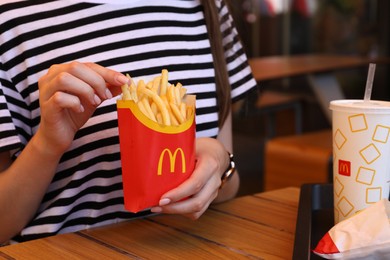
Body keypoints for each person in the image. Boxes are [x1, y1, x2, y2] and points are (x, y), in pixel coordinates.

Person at [0, 0, 257, 243]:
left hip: (188, 247)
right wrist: (47, 144)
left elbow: (227, 190)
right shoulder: (9, 20)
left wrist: (220, 159)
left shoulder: (207, 7)